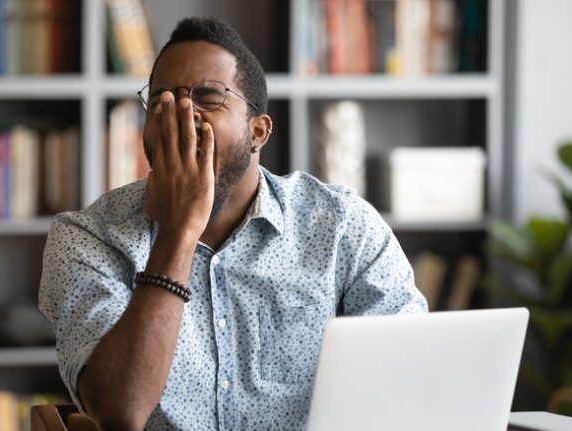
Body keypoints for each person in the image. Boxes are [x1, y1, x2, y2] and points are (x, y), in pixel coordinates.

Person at [39, 17, 427, 430]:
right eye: (161, 101)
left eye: (208, 97)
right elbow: (120, 412)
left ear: (258, 131)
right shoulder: (86, 238)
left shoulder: (342, 227)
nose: (182, 117)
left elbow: (413, 377)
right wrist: (178, 233)